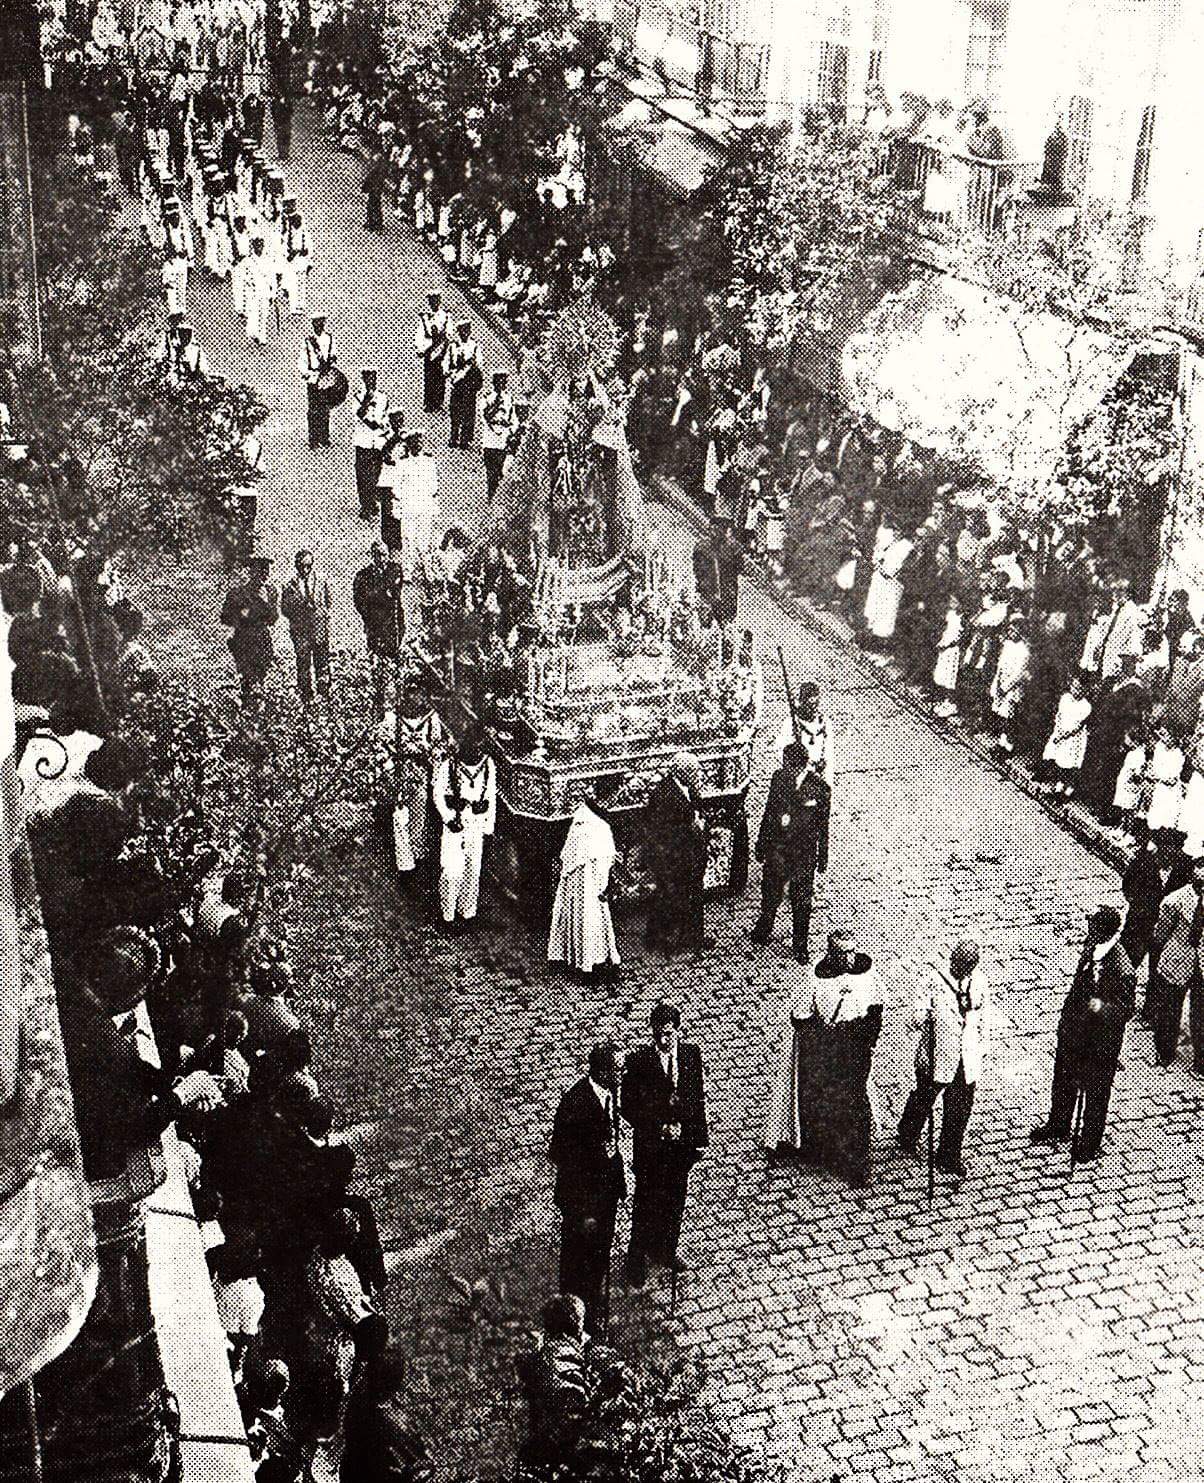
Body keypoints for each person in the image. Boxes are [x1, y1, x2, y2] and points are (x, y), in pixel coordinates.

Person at [763, 931, 883, 1186]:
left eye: (852, 951)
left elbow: (876, 1009)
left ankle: (858, 1162)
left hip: (856, 1046)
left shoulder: (867, 972)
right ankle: (826, 1150)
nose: (849, 958)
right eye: (842, 953)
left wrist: (868, 1039)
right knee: (828, 1101)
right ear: (831, 953)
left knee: (856, 1100)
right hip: (827, 1050)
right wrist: (823, 1041)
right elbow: (800, 1016)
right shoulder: (816, 977)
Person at [1031, 906, 1135, 1161]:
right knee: (1064, 1079)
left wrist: (1099, 1007)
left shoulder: (1123, 968)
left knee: (1096, 1092)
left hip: (1100, 1043)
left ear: (1105, 932)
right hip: (1074, 1032)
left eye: (1094, 926)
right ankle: (1059, 1124)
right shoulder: (1092, 946)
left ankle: (1089, 1142)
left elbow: (1125, 1009)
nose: (1089, 929)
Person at [621, 1002, 708, 1288]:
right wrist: (658, 1124)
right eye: (658, 1034)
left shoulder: (691, 1056)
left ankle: (666, 1249)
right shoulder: (638, 1063)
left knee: (675, 1199)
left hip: (680, 1146)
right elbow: (628, 1106)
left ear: (678, 1031)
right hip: (652, 1148)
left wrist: (690, 1135)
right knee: (646, 1200)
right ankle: (636, 1259)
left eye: (668, 1033)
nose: (663, 1040)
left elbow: (697, 1100)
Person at [547, 1041, 626, 1335]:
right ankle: (570, 1320)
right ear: (603, 1072)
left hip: (605, 1196)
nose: (622, 1074)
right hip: (583, 1205)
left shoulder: (608, 1093)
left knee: (598, 1257)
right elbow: (562, 1159)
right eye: (618, 1069)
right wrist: (584, 1212)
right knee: (576, 1261)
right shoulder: (575, 1104)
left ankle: (591, 1310)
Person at [896, 941, 990, 1177]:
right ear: (951, 960)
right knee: (924, 1096)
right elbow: (912, 1020)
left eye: (969, 965)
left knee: (960, 1108)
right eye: (959, 963)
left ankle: (948, 1156)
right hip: (937, 1055)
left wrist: (982, 1047)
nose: (963, 968)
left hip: (966, 1057)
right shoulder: (933, 982)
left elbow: (983, 1017)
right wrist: (922, 1015)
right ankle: (908, 1133)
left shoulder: (979, 982)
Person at [750, 743, 829, 963]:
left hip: (804, 854)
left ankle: (800, 945)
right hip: (778, 849)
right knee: (770, 890)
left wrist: (822, 858)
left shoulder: (820, 788)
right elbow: (769, 812)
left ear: (801, 765)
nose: (786, 768)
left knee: (802, 900)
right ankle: (764, 927)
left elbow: (824, 827)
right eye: (784, 764)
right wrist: (761, 843)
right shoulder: (778, 778)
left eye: (790, 765)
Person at [643, 752, 712, 955]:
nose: (699, 775)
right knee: (676, 898)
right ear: (683, 772)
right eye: (694, 771)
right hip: (676, 857)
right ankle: (668, 939)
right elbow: (662, 831)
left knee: (692, 895)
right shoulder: (665, 794)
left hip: (690, 854)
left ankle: (693, 936)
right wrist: (693, 826)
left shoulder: (685, 787)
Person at [547, 792, 620, 982]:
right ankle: (590, 963)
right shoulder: (596, 827)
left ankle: (584, 960)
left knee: (587, 919)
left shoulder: (583, 820)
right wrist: (606, 884)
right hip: (590, 883)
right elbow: (603, 858)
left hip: (582, 884)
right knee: (590, 920)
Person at [431, 733, 495, 929]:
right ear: (463, 747)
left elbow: (491, 796)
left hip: (475, 823)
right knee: (451, 870)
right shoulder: (449, 766)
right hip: (455, 824)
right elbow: (438, 794)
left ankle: (467, 914)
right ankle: (447, 916)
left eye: (480, 748)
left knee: (472, 869)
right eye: (473, 748)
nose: (477, 752)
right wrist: (448, 818)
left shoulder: (488, 765)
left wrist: (487, 827)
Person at [1149, 856, 1204, 1070]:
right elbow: (1160, 934)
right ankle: (1164, 1052)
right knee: (1169, 1008)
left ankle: (1201, 1060)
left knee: (1200, 1012)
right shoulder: (1175, 900)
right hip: (1178, 958)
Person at [393, 681, 448, 890]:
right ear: (405, 696)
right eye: (411, 694)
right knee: (400, 817)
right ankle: (404, 866)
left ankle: (418, 862)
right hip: (401, 772)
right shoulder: (395, 719)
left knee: (419, 818)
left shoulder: (431, 718)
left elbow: (437, 745)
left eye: (419, 694)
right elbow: (386, 745)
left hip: (421, 772)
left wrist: (428, 752)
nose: (415, 698)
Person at [352, 542, 405, 718]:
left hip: (393, 627)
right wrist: (381, 596)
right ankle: (379, 706)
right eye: (377, 555)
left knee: (396, 667)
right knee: (378, 667)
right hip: (374, 627)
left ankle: (398, 707)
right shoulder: (363, 575)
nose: (381, 558)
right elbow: (360, 602)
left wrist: (375, 596)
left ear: (387, 554)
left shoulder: (395, 569)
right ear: (372, 556)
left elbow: (394, 593)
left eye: (383, 554)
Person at [220, 553, 279, 708]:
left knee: (261, 677)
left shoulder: (271, 592)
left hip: (263, 640)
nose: (263, 575)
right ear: (251, 572)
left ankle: (259, 711)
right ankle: (248, 710)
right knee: (247, 679)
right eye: (259, 570)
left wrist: (260, 609)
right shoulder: (238, 594)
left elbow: (273, 618)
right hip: (244, 640)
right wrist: (244, 614)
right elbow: (226, 618)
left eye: (266, 571)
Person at [279, 549, 333, 703]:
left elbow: (328, 603)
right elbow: (285, 609)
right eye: (301, 566)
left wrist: (320, 617)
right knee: (303, 665)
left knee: (322, 663)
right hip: (300, 631)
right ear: (296, 566)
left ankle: (324, 696)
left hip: (319, 630)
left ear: (312, 565)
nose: (305, 570)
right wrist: (301, 611)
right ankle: (306, 698)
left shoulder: (322, 581)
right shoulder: (289, 586)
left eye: (308, 566)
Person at [773, 680, 835, 789]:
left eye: (816, 705)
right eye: (809, 705)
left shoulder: (825, 723)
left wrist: (823, 769)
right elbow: (781, 751)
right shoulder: (791, 724)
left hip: (819, 776)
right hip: (798, 778)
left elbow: (829, 752)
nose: (813, 709)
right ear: (801, 702)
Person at [1040, 672, 1093, 797]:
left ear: (1085, 690)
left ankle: (1068, 791)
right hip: (1060, 732)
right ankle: (1058, 788)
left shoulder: (1085, 706)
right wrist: (1058, 728)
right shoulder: (1065, 698)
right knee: (1058, 760)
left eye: (1079, 688)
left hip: (1074, 739)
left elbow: (1078, 726)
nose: (1075, 690)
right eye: (1074, 687)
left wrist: (1063, 735)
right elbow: (1059, 714)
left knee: (1070, 765)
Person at [353, 369, 391, 519]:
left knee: (376, 474)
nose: (371, 381)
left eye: (373, 378)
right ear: (363, 379)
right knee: (363, 475)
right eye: (367, 378)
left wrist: (384, 429)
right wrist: (367, 401)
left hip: (378, 442)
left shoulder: (382, 397)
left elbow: (386, 418)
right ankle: (365, 506)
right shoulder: (357, 397)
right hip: (363, 442)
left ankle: (373, 503)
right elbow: (359, 415)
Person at [692, 520, 741, 630]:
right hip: (713, 590)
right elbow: (698, 569)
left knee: (725, 617)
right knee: (722, 615)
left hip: (722, 591)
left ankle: (721, 625)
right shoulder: (703, 547)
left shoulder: (732, 548)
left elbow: (737, 568)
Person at [299, 311, 337, 450]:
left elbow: (333, 354)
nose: (319, 325)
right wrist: (306, 373)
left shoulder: (329, 338)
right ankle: (313, 438)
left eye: (321, 322)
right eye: (316, 323)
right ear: (313, 324)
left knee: (325, 408)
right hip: (314, 377)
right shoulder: (308, 341)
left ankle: (324, 437)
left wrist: (331, 363)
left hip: (325, 377)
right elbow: (303, 359)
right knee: (313, 409)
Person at [447, 320, 482, 449]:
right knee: (455, 411)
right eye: (461, 331)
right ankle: (453, 436)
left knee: (468, 412)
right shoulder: (453, 346)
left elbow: (479, 364)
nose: (464, 333)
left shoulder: (474, 346)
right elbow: (446, 364)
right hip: (457, 383)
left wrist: (471, 365)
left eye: (466, 330)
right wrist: (451, 373)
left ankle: (465, 439)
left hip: (469, 384)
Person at [377, 409, 409, 551]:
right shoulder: (385, 435)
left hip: (400, 478)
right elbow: (383, 454)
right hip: (386, 479)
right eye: (396, 421)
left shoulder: (406, 437)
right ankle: (387, 540)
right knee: (387, 511)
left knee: (399, 509)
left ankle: (397, 539)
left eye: (401, 421)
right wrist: (396, 437)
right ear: (391, 421)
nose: (399, 423)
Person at [481, 371, 516, 498]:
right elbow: (484, 417)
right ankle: (491, 494)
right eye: (499, 382)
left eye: (504, 382)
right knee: (491, 471)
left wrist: (511, 429)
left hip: (502, 440)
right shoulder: (487, 398)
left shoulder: (509, 399)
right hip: (489, 440)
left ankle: (496, 495)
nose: (501, 385)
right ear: (494, 383)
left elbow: (513, 419)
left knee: (500, 470)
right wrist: (496, 405)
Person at [415, 291, 449, 413]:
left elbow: (444, 333)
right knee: (429, 376)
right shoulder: (426, 316)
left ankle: (438, 402)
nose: (433, 303)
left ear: (439, 301)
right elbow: (422, 334)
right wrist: (419, 348)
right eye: (431, 300)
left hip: (440, 348)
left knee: (440, 376)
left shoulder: (444, 316)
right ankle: (429, 402)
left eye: (435, 300)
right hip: (429, 349)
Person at [243, 234, 277, 347]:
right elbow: (245, 277)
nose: (259, 248)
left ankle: (262, 337)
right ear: (253, 247)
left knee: (264, 314)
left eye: (261, 245)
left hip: (265, 290)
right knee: (253, 313)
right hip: (252, 291)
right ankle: (253, 333)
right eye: (257, 245)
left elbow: (272, 277)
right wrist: (248, 289)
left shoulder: (268, 260)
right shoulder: (248, 261)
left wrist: (273, 293)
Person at [279, 209, 311, 317]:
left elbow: (308, 248)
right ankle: (293, 307)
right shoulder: (287, 234)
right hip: (291, 261)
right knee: (293, 284)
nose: (297, 223)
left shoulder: (303, 233)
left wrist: (309, 262)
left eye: (299, 221)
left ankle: (301, 305)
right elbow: (283, 249)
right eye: (295, 221)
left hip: (301, 260)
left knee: (301, 283)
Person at [363, 145, 387, 231]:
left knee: (373, 204)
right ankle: (375, 222)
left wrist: (366, 185)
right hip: (376, 185)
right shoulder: (379, 163)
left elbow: (371, 175)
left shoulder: (378, 165)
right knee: (374, 204)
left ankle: (374, 223)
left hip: (375, 186)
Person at [269, 91, 293, 161]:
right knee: (280, 138)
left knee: (287, 138)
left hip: (287, 123)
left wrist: (285, 106)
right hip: (279, 123)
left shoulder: (288, 102)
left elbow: (291, 111)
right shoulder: (275, 103)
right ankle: (281, 154)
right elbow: (274, 113)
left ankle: (286, 153)